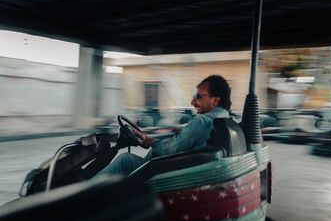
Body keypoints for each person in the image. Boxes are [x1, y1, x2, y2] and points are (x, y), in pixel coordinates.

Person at [94, 74, 232, 178]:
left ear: (215, 100)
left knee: (125, 160)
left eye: (197, 96)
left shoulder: (203, 121)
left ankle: (84, 195)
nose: (192, 101)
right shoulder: (225, 119)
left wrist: (150, 141)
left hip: (174, 175)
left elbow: (170, 150)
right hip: (190, 169)